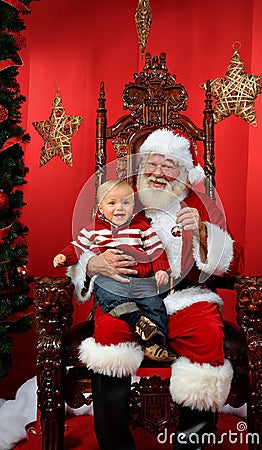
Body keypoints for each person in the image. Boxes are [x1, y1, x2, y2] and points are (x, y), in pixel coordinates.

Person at [68, 129, 244, 450]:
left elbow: (236, 263)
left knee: (206, 334)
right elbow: (86, 242)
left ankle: (192, 444)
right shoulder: (121, 196)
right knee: (109, 342)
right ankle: (116, 446)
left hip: (184, 296)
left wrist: (205, 234)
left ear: (184, 170)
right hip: (127, 294)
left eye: (170, 165)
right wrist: (95, 264)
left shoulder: (199, 203)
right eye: (153, 164)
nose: (159, 173)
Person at [53, 179, 175, 362]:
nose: (120, 207)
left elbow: (156, 250)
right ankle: (136, 318)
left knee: (156, 305)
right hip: (111, 280)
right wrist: (64, 257)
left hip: (140, 280)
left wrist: (161, 270)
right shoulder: (94, 230)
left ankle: (154, 343)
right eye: (112, 203)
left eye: (126, 202)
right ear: (100, 209)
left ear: (133, 206)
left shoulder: (141, 228)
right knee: (107, 293)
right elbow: (77, 247)